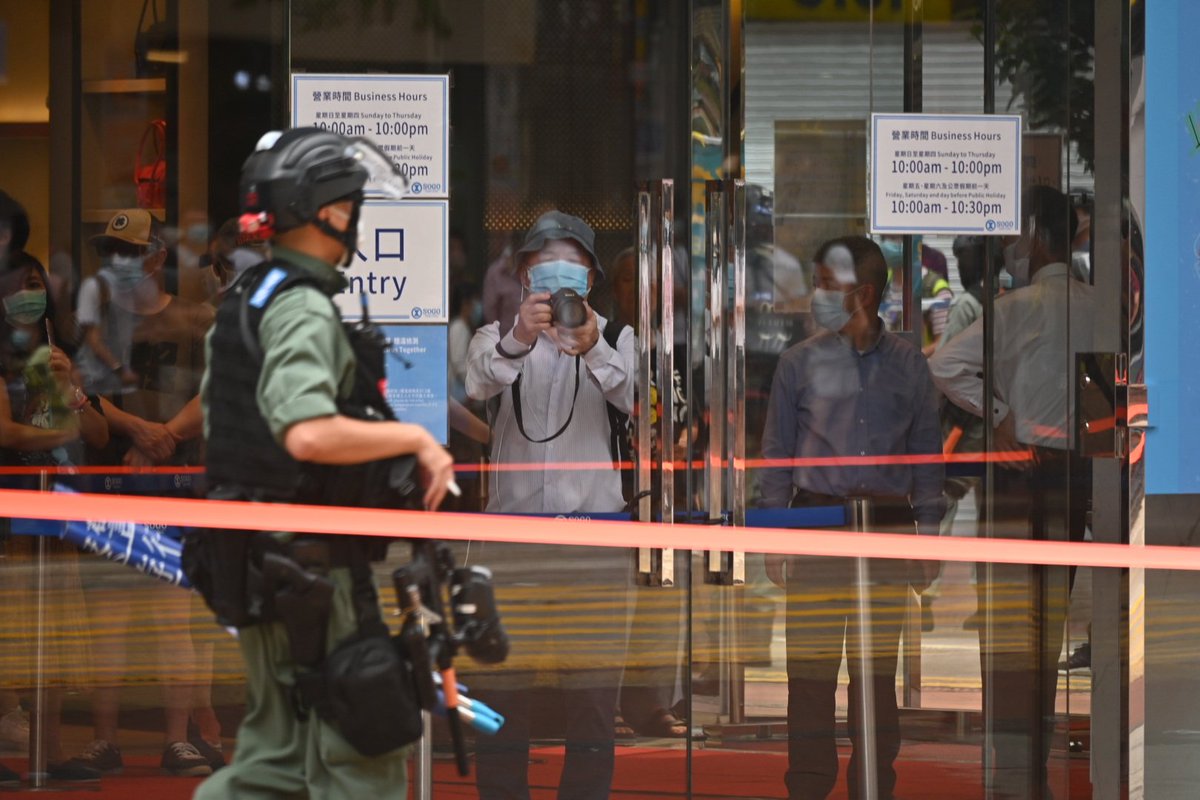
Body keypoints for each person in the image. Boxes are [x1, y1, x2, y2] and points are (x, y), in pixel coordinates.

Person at [190, 128, 455, 800]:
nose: (355, 216)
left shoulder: (245, 302)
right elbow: (305, 432)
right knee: (362, 756)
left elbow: (227, 422)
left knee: (272, 765)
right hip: (315, 574)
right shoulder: (302, 307)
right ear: (330, 212)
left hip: (256, 565)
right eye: (350, 204)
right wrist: (416, 443)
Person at [759, 235, 943, 800]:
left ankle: (873, 786)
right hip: (816, 526)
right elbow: (777, 459)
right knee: (809, 679)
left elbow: (926, 458)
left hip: (886, 529)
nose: (816, 294)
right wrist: (775, 537)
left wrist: (928, 539)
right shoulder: (798, 365)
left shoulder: (910, 366)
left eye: (825, 283)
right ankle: (809, 786)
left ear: (861, 293)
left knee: (875, 679)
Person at [929, 185, 1096, 800]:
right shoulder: (1097, 305)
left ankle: (1009, 769)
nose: (1009, 249)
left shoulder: (1016, 306)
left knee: (1004, 630)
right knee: (1047, 628)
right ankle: (1036, 760)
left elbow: (944, 368)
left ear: (1037, 236)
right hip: (1072, 480)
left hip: (1016, 479)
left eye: (1016, 236)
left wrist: (998, 414)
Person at [466, 210, 635, 799]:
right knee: (501, 697)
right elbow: (478, 383)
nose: (557, 277)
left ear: (590, 277)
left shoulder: (618, 338)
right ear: (522, 275)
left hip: (594, 545)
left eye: (570, 264)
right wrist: (521, 337)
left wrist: (589, 348)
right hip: (512, 547)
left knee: (591, 703)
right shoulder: (496, 336)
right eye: (543, 265)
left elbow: (635, 398)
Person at [0, 253, 109, 784]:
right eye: (16, 285)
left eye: (36, 283)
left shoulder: (59, 354)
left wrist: (70, 391)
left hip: (58, 513)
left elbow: (99, 437)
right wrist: (58, 436)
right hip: (10, 516)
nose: (28, 292)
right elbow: (7, 433)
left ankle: (49, 752)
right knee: (9, 637)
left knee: (56, 638)